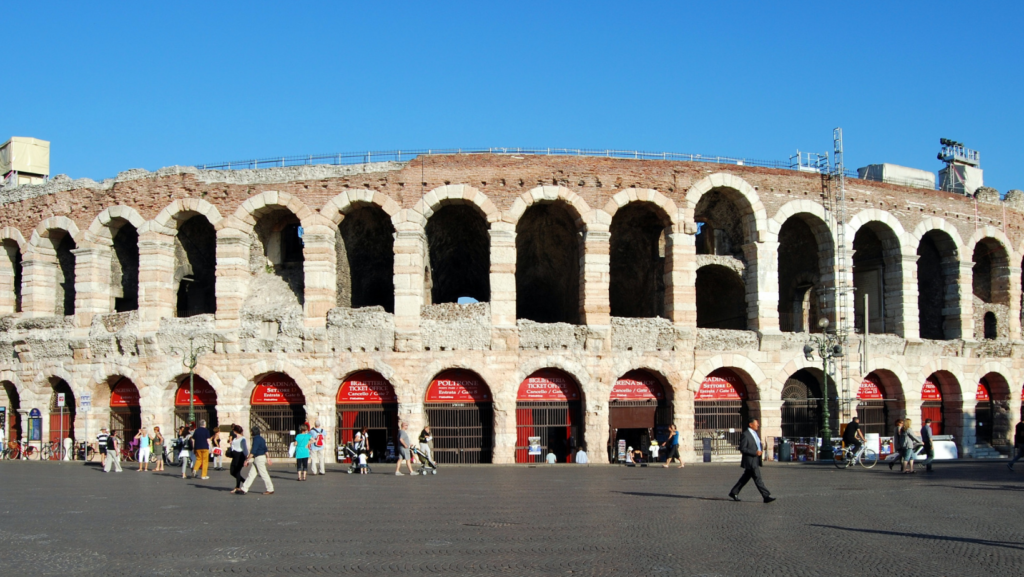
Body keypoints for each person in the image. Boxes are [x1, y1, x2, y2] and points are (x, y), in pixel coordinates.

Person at [729, 418, 774, 503]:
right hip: (750, 460)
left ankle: (734, 492)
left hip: (756, 459)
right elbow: (742, 448)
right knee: (758, 478)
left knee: (745, 478)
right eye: (756, 423)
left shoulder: (755, 434)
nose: (758, 425)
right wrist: (754, 452)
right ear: (751, 424)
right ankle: (766, 496)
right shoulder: (746, 435)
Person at [239, 426, 274, 495]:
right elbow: (265, 449)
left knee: (264, 474)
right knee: (251, 474)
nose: (251, 433)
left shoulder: (256, 439)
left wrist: (247, 460)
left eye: (251, 431)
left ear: (253, 432)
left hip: (259, 458)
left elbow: (253, 451)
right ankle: (244, 488)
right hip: (261, 457)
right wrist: (268, 458)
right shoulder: (262, 439)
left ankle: (270, 489)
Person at [228, 425, 249, 494]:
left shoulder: (242, 439)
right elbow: (233, 446)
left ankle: (237, 487)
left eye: (234, 430)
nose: (233, 432)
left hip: (240, 456)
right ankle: (244, 481)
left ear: (236, 431)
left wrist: (246, 459)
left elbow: (245, 449)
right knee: (232, 471)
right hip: (234, 456)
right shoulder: (235, 438)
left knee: (237, 471)